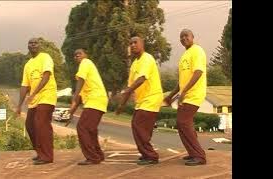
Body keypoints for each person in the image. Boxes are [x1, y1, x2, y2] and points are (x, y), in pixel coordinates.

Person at [116, 36, 163, 165]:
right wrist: (122, 105)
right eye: (130, 43)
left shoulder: (147, 58)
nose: (132, 45)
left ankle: (151, 156)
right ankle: (146, 153)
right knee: (139, 126)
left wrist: (127, 91)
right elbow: (130, 87)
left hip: (152, 97)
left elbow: (141, 79)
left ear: (142, 44)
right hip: (142, 101)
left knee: (138, 124)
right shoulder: (134, 64)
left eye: (135, 42)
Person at [164, 29, 207, 166]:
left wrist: (184, 92)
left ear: (192, 37)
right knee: (183, 123)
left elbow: (198, 72)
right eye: (181, 37)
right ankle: (193, 153)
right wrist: (171, 95)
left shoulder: (197, 51)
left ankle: (199, 156)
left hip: (194, 94)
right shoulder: (184, 55)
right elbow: (181, 81)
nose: (183, 38)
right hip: (185, 95)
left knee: (183, 122)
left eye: (186, 35)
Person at [16, 38, 57, 165]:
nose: (33, 44)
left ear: (39, 46)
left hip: (47, 95)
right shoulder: (28, 64)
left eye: (35, 43)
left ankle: (47, 156)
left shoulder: (45, 57)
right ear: (28, 46)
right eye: (30, 43)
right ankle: (40, 152)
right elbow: (24, 86)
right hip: (34, 99)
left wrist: (33, 93)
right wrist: (19, 106)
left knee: (41, 124)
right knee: (30, 125)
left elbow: (46, 76)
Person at [69, 48, 108, 165]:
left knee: (82, 127)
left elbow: (79, 84)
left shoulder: (85, 63)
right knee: (90, 129)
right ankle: (98, 155)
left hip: (95, 99)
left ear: (86, 55)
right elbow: (80, 97)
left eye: (79, 53)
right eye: (75, 55)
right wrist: (71, 112)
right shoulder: (86, 68)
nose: (77, 56)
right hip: (97, 100)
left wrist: (73, 98)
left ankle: (92, 157)